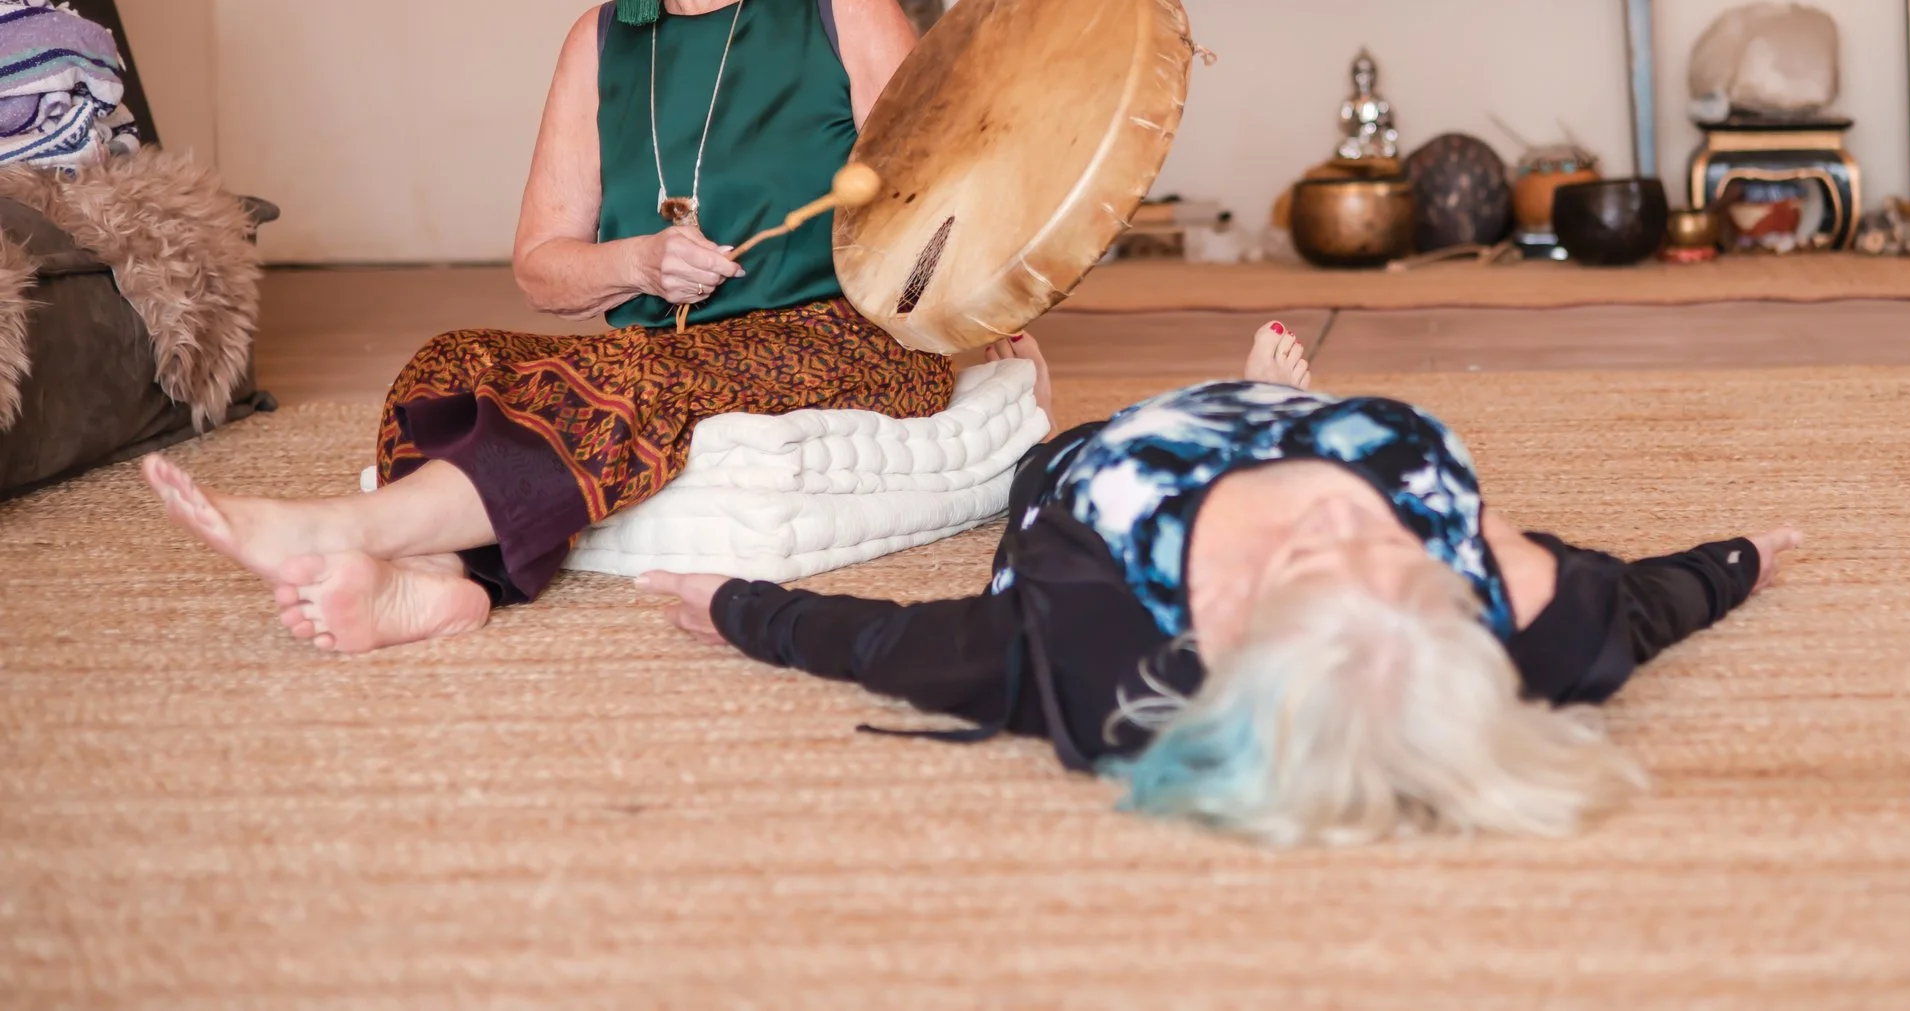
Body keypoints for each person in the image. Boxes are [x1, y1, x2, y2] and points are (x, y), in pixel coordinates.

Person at [143, 0, 956, 651]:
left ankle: (345, 530)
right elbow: (542, 267)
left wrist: (993, 317)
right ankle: (441, 581)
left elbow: (941, 209)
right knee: (451, 361)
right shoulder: (598, 42)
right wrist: (641, 261)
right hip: (661, 348)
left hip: (842, 335)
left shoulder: (843, 3)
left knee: (625, 379)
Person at [642, 323, 1801, 846]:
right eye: (1393, 554)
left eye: (1307, 563)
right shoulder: (1535, 616)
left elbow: (887, 645)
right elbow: (1651, 607)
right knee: (1350, 462)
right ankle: (1267, 395)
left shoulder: (1098, 653)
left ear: (1240, 635)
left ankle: (1211, 400)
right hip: (1311, 423)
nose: (1341, 519)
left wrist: (730, 601)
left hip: (1111, 470)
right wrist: (1737, 557)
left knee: (1040, 437)